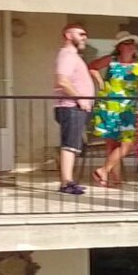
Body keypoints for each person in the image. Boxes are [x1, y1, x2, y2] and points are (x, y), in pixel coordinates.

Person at [89, 31, 138, 188]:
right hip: (108, 107)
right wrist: (100, 83)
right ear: (119, 47)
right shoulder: (111, 61)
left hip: (127, 110)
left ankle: (103, 170)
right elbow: (92, 67)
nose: (131, 46)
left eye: (132, 43)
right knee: (111, 146)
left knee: (127, 144)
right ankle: (115, 179)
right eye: (126, 43)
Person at [53, 23, 94, 195]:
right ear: (68, 35)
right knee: (70, 145)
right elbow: (62, 80)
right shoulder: (68, 55)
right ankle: (66, 183)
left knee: (73, 145)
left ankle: (68, 181)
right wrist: (80, 99)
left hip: (74, 107)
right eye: (81, 34)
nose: (85, 37)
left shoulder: (73, 56)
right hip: (71, 107)